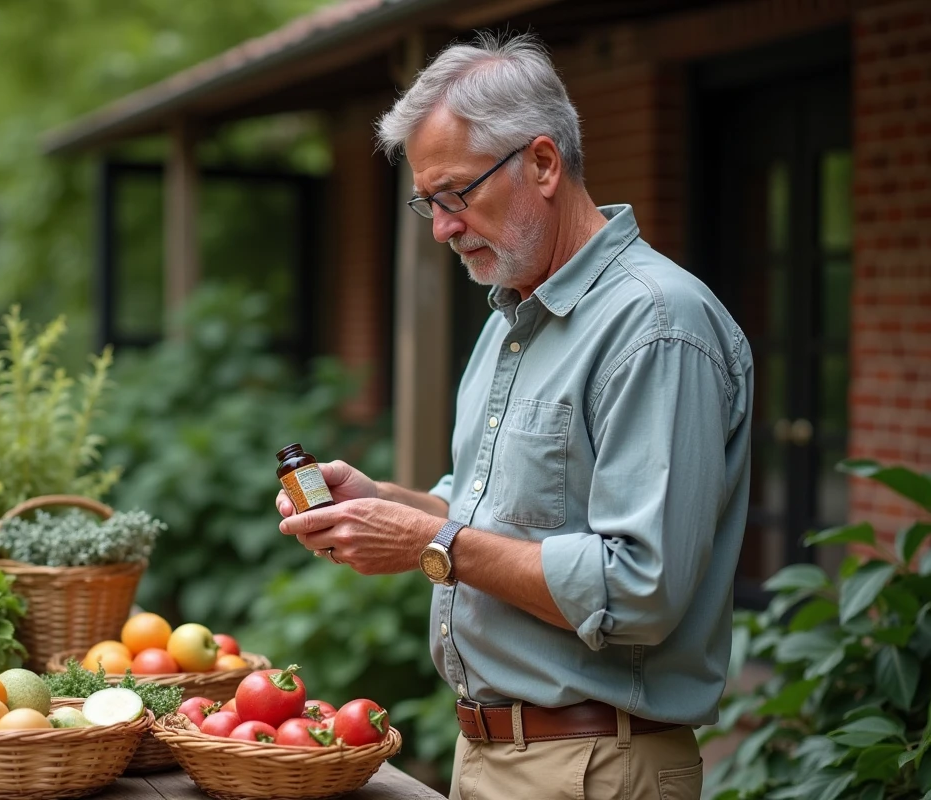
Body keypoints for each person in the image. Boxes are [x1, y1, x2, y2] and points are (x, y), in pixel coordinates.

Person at [275, 32, 753, 800]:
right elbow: (498, 517)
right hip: (496, 758)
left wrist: (431, 542)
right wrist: (385, 501)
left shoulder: (658, 326)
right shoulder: (511, 317)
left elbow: (639, 588)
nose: (442, 228)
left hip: (598, 766)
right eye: (428, 203)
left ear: (542, 162)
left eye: (457, 195)